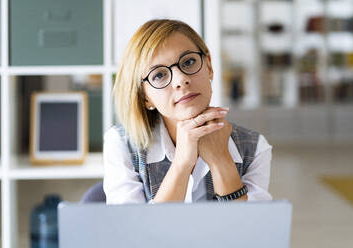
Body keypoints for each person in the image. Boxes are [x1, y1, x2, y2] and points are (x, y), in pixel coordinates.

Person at [103, 19, 272, 204]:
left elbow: (249, 230)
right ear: (145, 97)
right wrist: (182, 163)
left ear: (209, 66)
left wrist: (221, 159)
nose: (181, 80)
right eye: (159, 75)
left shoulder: (255, 148)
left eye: (189, 62)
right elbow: (134, 231)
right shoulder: (120, 144)